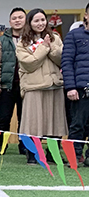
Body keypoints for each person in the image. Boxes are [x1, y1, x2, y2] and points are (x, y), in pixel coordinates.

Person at [16, 9, 67, 164]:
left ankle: (53, 153)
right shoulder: (23, 42)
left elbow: (62, 59)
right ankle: (33, 154)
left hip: (54, 85)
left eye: (43, 20)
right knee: (33, 122)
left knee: (55, 122)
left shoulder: (55, 38)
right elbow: (29, 64)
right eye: (36, 21)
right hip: (34, 86)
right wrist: (43, 48)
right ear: (29, 23)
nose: (40, 23)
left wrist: (50, 47)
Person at [0, 8, 26, 155]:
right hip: (6, 85)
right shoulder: (2, 40)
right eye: (14, 18)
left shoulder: (31, 39)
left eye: (20, 17)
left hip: (26, 86)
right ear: (10, 22)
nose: (17, 20)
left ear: (26, 20)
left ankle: (24, 146)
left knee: (24, 118)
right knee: (3, 118)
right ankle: (0, 145)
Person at [62, 3, 89, 165]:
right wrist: (70, 87)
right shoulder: (74, 35)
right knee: (78, 124)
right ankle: (75, 156)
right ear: (86, 15)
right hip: (81, 88)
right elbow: (66, 62)